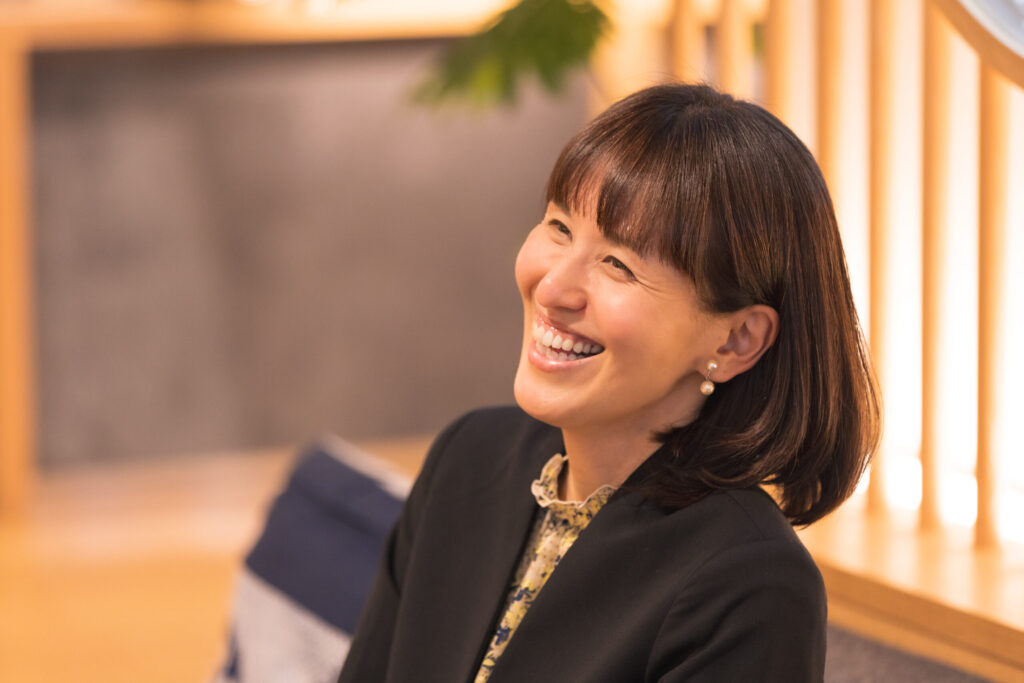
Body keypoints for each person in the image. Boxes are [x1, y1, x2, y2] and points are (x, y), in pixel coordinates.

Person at [338, 83, 880, 682]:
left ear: (736, 341)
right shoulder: (468, 460)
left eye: (618, 264)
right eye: (559, 227)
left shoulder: (752, 584)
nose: (553, 288)